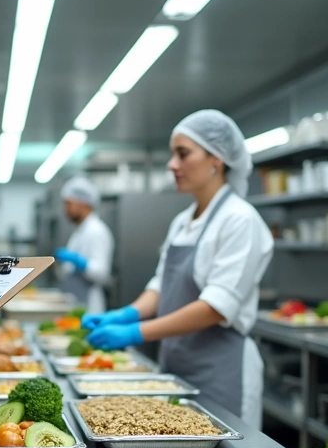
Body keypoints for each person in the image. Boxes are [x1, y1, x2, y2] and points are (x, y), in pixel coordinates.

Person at [83, 110, 273, 428]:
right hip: (177, 364)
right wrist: (126, 313)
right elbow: (161, 286)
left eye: (183, 154)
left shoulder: (240, 220)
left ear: (217, 159)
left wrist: (135, 332)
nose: (172, 164)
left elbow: (215, 307)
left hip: (221, 369)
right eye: (173, 154)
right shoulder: (183, 221)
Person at [53, 176, 115, 313]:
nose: (65, 209)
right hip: (77, 301)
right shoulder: (81, 231)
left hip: (90, 305)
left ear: (83, 203)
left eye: (68, 203)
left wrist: (78, 261)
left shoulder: (96, 231)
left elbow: (101, 273)